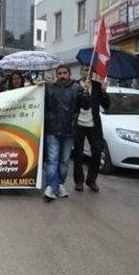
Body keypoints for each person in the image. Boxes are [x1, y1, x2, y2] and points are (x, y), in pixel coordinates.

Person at [42, 65, 90, 201]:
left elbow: (86, 106)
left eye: (65, 73)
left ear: (69, 74)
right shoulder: (50, 88)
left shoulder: (77, 88)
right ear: (57, 75)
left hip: (69, 131)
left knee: (64, 161)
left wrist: (86, 92)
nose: (62, 76)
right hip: (52, 130)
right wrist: (38, 88)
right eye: (60, 73)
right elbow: (41, 105)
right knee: (52, 160)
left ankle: (60, 184)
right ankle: (51, 187)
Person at [72, 66, 110, 193]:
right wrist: (84, 92)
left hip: (93, 124)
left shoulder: (98, 86)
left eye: (89, 69)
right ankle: (79, 181)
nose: (86, 72)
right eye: (84, 69)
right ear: (80, 71)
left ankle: (91, 180)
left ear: (92, 72)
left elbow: (106, 106)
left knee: (97, 151)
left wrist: (104, 92)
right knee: (78, 153)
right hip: (78, 123)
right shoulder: (75, 85)